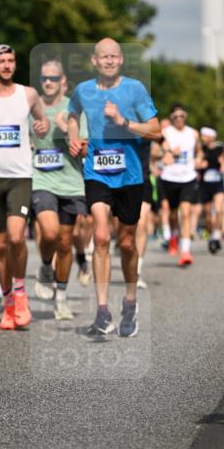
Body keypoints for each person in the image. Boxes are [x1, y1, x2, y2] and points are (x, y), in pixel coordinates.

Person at [68, 38, 162, 338]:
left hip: (131, 176)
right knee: (100, 234)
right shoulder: (83, 90)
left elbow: (155, 129)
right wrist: (73, 137)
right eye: (102, 57)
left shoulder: (134, 88)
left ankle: (130, 301)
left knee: (127, 243)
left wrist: (125, 122)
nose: (108, 61)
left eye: (113, 56)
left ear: (120, 60)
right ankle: (103, 309)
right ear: (95, 61)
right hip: (97, 170)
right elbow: (72, 115)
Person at [0, 44, 49, 331]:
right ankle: (8, 302)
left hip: (20, 175)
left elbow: (41, 119)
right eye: (1, 61)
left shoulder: (28, 94)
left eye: (11, 60)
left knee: (17, 238)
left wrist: (42, 126)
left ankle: (20, 292)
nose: (7, 65)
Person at [31, 59, 88, 321]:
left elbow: (86, 149)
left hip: (71, 182)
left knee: (65, 243)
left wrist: (68, 131)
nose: (48, 82)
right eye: (44, 78)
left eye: (53, 78)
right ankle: (44, 266)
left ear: (62, 80)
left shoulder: (74, 109)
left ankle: (61, 298)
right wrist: (30, 137)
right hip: (41, 180)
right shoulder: (32, 106)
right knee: (50, 231)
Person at [159, 104, 202, 267]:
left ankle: (185, 251)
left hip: (187, 178)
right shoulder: (165, 133)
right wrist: (168, 153)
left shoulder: (193, 133)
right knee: (172, 214)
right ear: (171, 118)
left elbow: (199, 151)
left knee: (185, 212)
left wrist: (198, 159)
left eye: (182, 116)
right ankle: (173, 238)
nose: (179, 119)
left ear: (186, 116)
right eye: (175, 116)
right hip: (169, 178)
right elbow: (155, 151)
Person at [198, 126, 223, 253]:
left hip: (218, 184)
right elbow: (196, 163)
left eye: (204, 135)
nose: (202, 138)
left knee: (218, 210)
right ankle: (212, 234)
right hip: (205, 185)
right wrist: (200, 163)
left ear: (211, 136)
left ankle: (216, 236)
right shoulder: (201, 149)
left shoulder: (220, 149)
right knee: (208, 216)